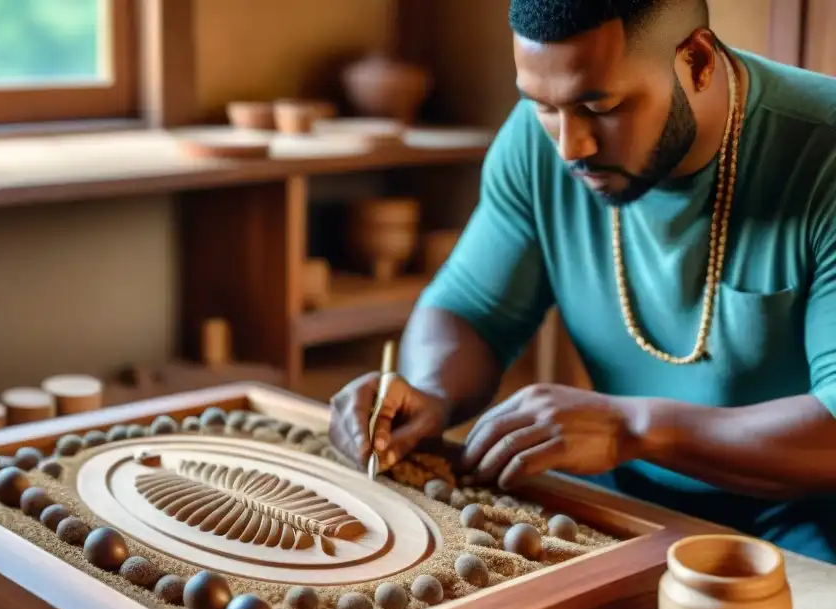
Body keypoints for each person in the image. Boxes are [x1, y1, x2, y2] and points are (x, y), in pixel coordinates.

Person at [328, 0, 836, 563]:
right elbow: (471, 309)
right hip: (629, 502)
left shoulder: (824, 151)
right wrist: (429, 392)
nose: (570, 147)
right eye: (544, 106)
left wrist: (633, 429)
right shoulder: (538, 141)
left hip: (807, 519)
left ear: (696, 61)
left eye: (602, 106)